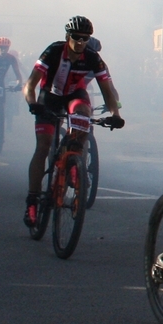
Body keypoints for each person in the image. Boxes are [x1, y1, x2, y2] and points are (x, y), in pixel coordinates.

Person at [23, 17, 123, 228]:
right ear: (67, 36)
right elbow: (30, 84)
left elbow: (108, 91)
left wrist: (116, 114)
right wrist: (33, 104)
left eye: (85, 38)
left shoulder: (93, 57)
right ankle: (32, 200)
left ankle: (73, 159)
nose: (80, 42)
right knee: (43, 146)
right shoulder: (53, 51)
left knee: (83, 113)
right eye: (76, 37)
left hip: (74, 96)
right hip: (49, 97)